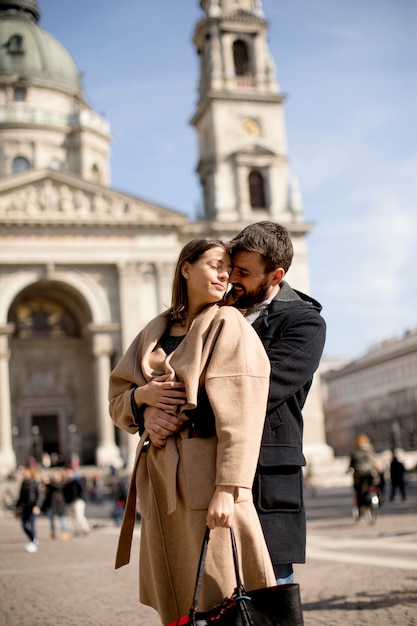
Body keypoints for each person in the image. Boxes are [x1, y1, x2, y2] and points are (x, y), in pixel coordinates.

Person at [142, 222, 326, 586]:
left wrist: (169, 413)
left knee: (269, 592)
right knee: (211, 591)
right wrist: (143, 405)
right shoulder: (212, 311)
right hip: (203, 471)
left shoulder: (304, 323)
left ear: (276, 275)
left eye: (243, 272)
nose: (232, 279)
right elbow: (163, 371)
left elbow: (255, 392)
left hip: (264, 476)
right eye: (230, 269)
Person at [108, 238, 276, 625]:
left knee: (221, 600)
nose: (224, 275)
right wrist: (144, 401)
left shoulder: (227, 322)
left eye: (228, 269)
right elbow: (117, 401)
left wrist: (228, 489)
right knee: (181, 599)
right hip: (162, 484)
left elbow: (242, 414)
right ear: (186, 267)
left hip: (207, 480)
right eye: (215, 264)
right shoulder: (154, 328)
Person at [349, 434, 383, 518]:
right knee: (373, 486)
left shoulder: (355, 452)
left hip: (359, 475)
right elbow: (375, 461)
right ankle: (378, 499)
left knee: (358, 490)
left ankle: (360, 506)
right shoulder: (369, 450)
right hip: (370, 474)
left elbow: (351, 465)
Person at [15, 466, 43, 553]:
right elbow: (20, 496)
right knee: (23, 525)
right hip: (25, 507)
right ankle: (32, 538)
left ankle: (33, 541)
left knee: (31, 524)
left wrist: (37, 506)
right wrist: (17, 507)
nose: (24, 473)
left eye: (26, 472)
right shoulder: (24, 483)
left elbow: (40, 495)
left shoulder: (36, 483)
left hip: (33, 507)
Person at [43, 470, 69, 540]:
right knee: (51, 521)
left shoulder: (62, 484)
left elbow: (57, 486)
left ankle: (64, 532)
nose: (56, 477)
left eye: (58, 475)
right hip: (51, 505)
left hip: (60, 505)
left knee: (61, 519)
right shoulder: (50, 485)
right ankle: (52, 534)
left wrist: (49, 482)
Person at [63, 468, 90, 537]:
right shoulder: (67, 482)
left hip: (78, 501)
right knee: (73, 518)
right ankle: (76, 531)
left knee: (79, 516)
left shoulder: (78, 480)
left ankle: (85, 529)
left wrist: (78, 497)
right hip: (70, 502)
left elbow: (82, 490)